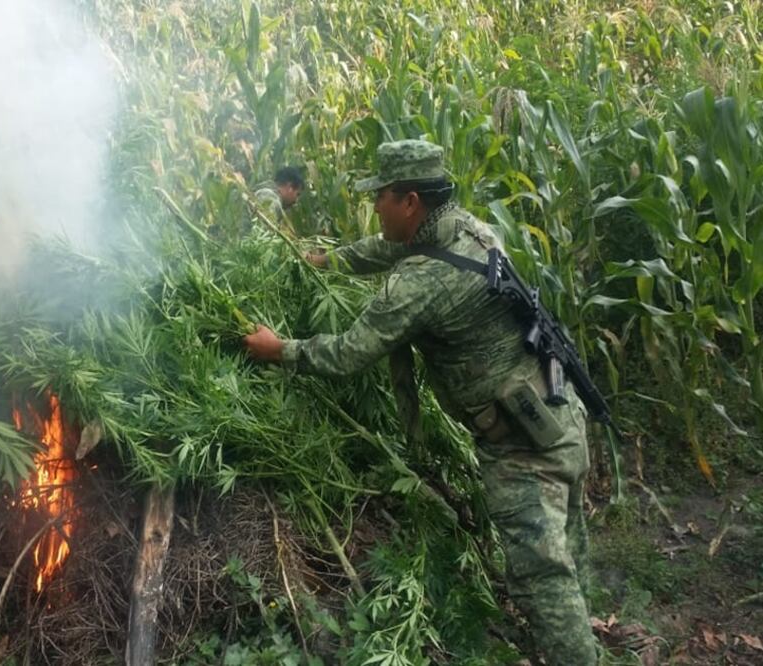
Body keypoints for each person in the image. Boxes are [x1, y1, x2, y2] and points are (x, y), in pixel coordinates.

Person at [244, 140, 597, 665]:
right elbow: (392, 250)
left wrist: (280, 351)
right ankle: (585, 641)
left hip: (524, 449)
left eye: (380, 197)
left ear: (409, 201)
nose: (374, 206)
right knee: (567, 552)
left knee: (540, 581)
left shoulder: (419, 285)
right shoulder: (468, 229)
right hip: (561, 408)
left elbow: (349, 352)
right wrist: (327, 260)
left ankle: (578, 656)